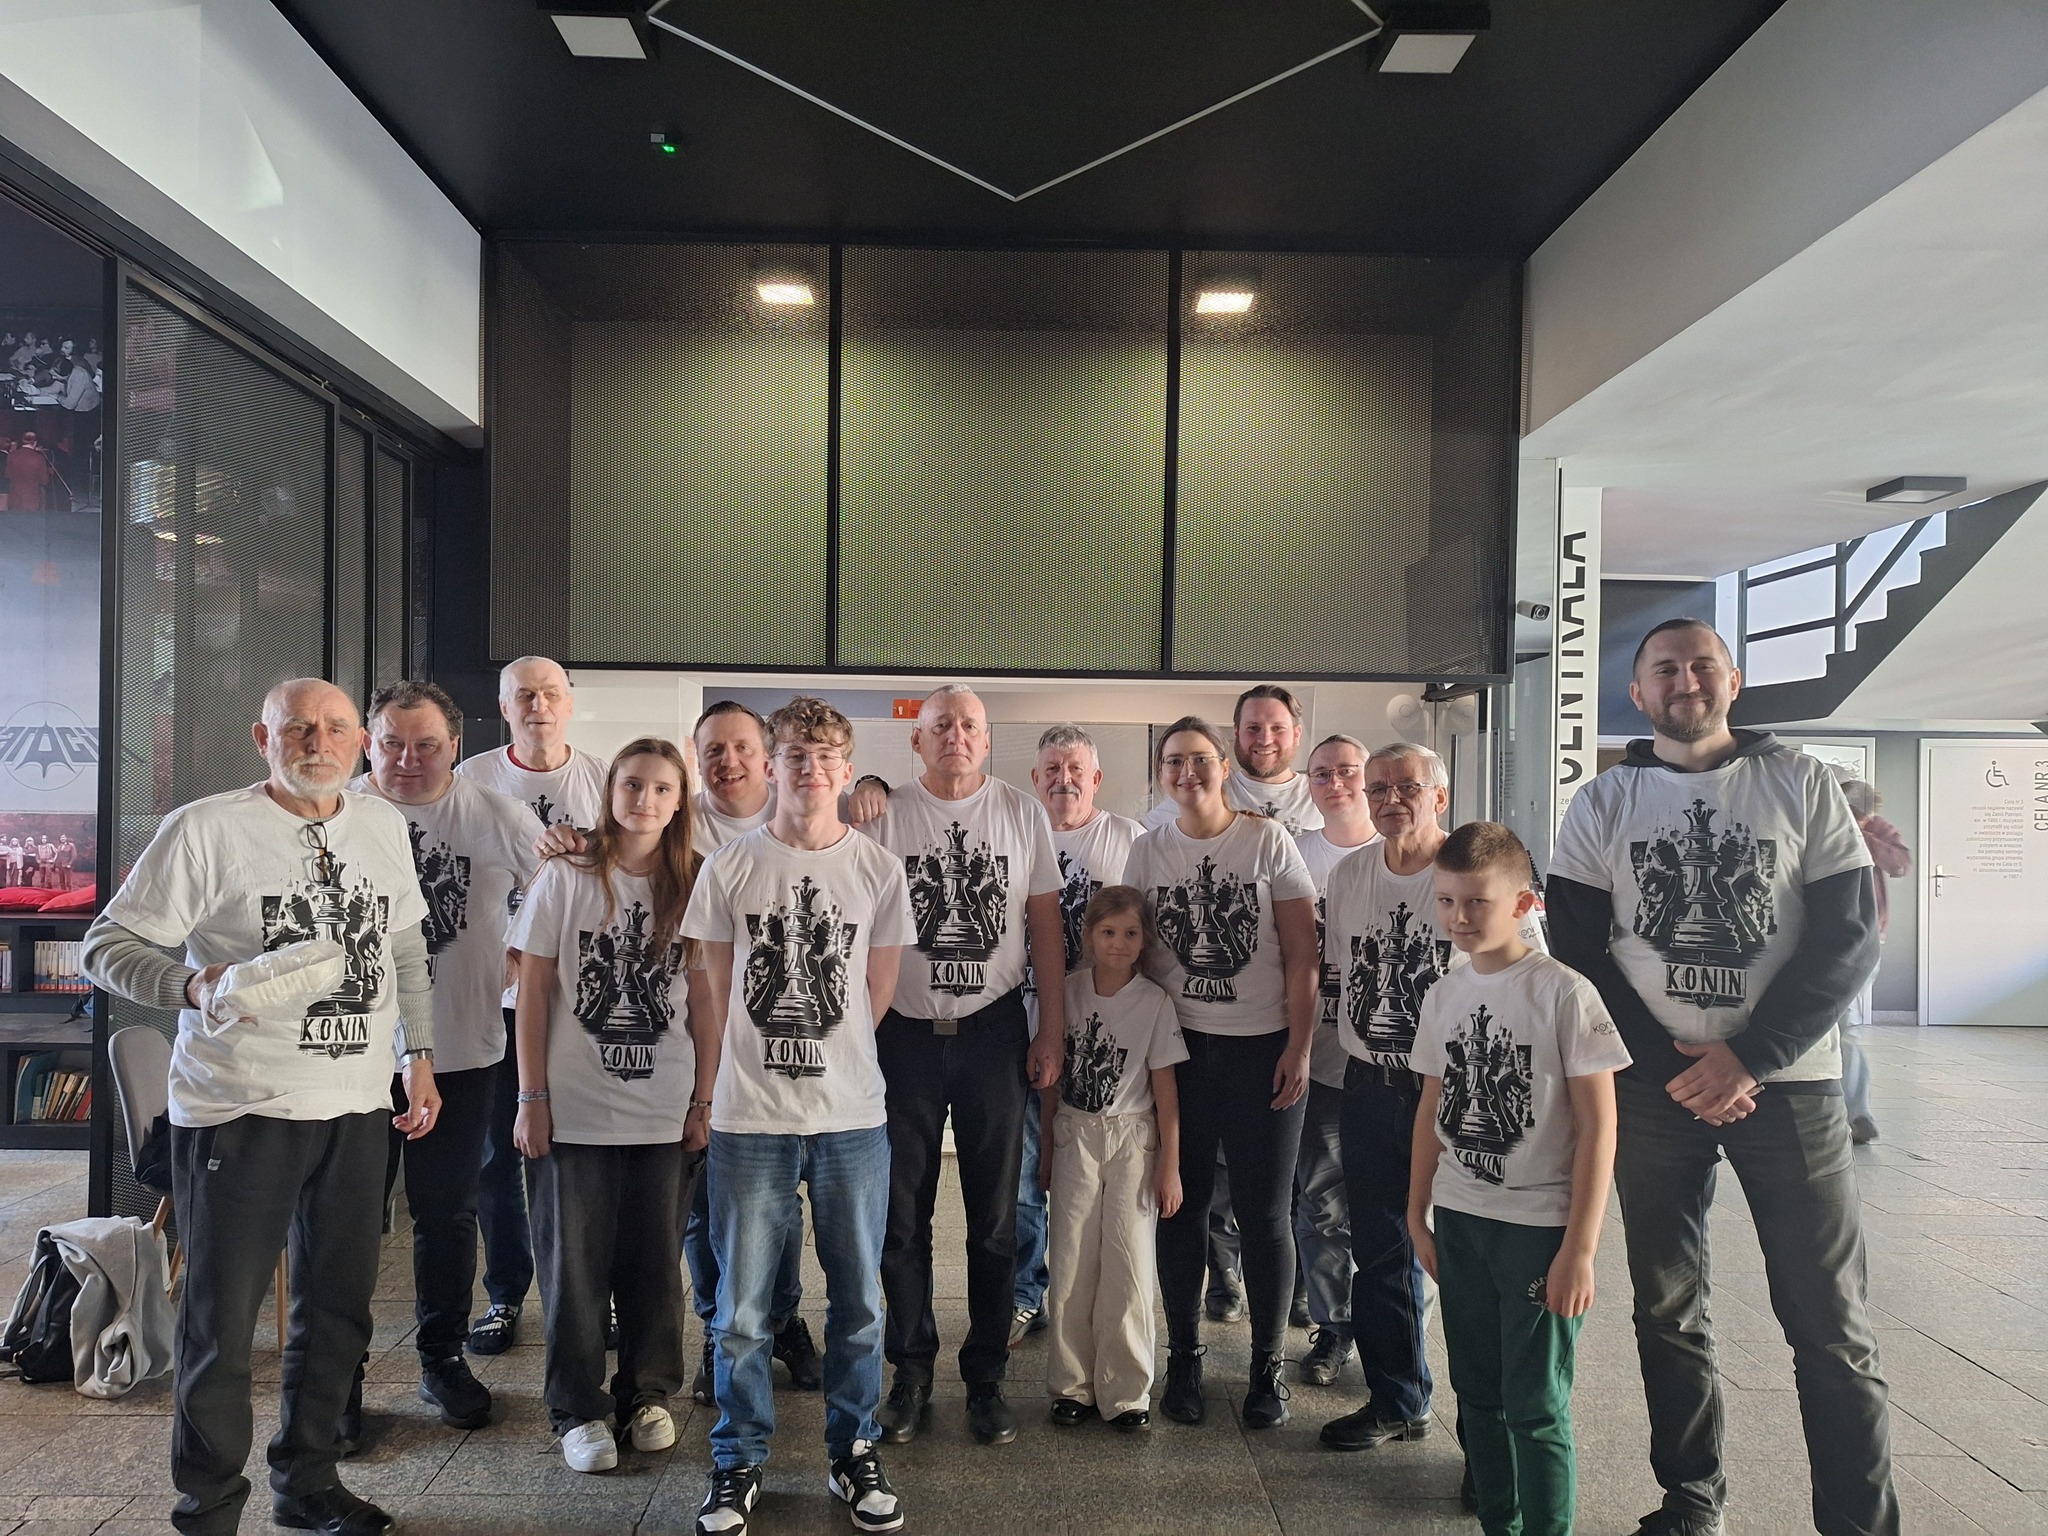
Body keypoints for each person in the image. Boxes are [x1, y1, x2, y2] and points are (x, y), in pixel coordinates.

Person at [1547, 617, 1896, 1536]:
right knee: (1667, 1309)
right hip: (1655, 1092)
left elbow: (1848, 938)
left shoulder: (1801, 782)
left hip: (1793, 1085)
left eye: (1703, 665)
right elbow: (1577, 951)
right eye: (1665, 669)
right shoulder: (1604, 801)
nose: (1686, 681)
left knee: (1830, 1323)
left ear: (1732, 681)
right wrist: (1671, 1066)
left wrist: (1751, 1055)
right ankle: (1692, 1498)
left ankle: (1860, 1524)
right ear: (1639, 692)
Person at [81, 678, 438, 1536]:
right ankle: (208, 1506)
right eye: (298, 728)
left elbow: (403, 947)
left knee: (338, 1311)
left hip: (356, 1105)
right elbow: (104, 946)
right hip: (240, 1111)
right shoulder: (205, 829)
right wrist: (191, 984)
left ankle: (307, 1483)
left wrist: (417, 1057)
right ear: (262, 738)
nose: (318, 742)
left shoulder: (382, 823)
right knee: (223, 1324)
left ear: (360, 742)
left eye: (336, 728)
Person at [681, 695, 915, 1536]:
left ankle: (854, 1450)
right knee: (742, 1312)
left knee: (859, 1303)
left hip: (850, 1113)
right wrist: (722, 1085)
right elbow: (715, 991)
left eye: (825, 757)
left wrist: (826, 1050)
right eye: (795, 756)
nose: (810, 769)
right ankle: (739, 1458)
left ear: (845, 770)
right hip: (751, 1117)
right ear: (772, 766)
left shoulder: (878, 870)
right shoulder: (729, 866)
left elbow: (875, 994)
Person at [1320, 741, 1547, 1453]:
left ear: (1439, 796)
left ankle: (1490, 1440)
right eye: (1378, 787)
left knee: (1472, 1261)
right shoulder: (1350, 873)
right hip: (1368, 1085)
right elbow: (1340, 974)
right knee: (1379, 1252)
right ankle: (1398, 1400)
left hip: (1456, 1094)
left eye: (1407, 787)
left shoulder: (1474, 871)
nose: (1390, 799)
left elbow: (1530, 978)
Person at [1408, 821, 1629, 1536]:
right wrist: (1416, 1212)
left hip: (1538, 1228)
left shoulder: (1564, 993)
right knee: (1476, 1394)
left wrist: (1581, 1248)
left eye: (1477, 901)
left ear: (1524, 903)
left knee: (1535, 1404)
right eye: (1446, 901)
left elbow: (1599, 1127)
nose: (1459, 917)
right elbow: (1432, 1108)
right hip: (1461, 1217)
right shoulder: (1443, 993)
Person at [865, 684, 1065, 1447]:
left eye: (969, 725)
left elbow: (1044, 927)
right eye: (940, 724)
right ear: (917, 740)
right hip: (904, 1035)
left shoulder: (1021, 813)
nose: (955, 734)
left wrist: (1051, 1031)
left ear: (986, 740)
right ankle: (910, 1373)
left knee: (996, 1218)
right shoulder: (886, 814)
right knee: (900, 1218)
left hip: (993, 1031)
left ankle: (986, 1377)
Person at [506, 737, 705, 1473]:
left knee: (655, 1264)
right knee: (574, 1268)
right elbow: (533, 990)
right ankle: (578, 1408)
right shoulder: (567, 875)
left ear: (679, 802)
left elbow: (708, 1001)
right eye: (632, 784)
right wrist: (531, 1095)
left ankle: (647, 1393)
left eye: (661, 788)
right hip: (574, 1110)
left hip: (663, 1109)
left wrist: (705, 1098)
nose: (644, 799)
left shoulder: (697, 881)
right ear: (610, 791)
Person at [351, 680, 539, 1436]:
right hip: (352, 1058)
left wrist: (523, 946)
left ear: (455, 746)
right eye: (392, 743)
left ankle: (442, 1359)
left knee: (448, 1214)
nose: (408, 759)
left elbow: (560, 889)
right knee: (345, 1223)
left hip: (463, 1047)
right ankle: (339, 1379)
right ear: (367, 744)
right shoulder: (337, 813)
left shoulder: (497, 814)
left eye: (426, 745)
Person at [1124, 715, 1317, 1429]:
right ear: (1161, 773)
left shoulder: (1268, 840)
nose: (1188, 772)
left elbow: (1303, 955)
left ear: (1224, 765)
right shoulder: (1148, 850)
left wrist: (1300, 1046)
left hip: (1263, 1049)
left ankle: (1268, 1364)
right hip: (1181, 1055)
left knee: (1266, 1214)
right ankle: (1185, 1356)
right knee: (1182, 1207)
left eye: (1200, 759)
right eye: (1174, 761)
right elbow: (1133, 953)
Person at [454, 656, 610, 1356]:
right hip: (495, 996)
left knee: (578, 1153)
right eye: (524, 695)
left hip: (578, 997)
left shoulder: (603, 780)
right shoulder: (472, 780)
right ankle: (505, 1293)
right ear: (503, 707)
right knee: (495, 1155)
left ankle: (592, 1294)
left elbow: (632, 864)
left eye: (550, 693)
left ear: (569, 703)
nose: (538, 705)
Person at [1011, 724, 1147, 1347]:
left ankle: (1085, 1292)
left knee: (1090, 1179)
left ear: (1096, 779)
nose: (1063, 780)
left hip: (1101, 1041)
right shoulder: (1019, 832)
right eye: (1051, 770)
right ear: (1035, 779)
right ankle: (1025, 1292)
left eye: (1075, 770)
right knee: (1024, 1172)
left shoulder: (1128, 839)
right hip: (1021, 1024)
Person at [1043, 884, 1186, 1430]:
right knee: (1072, 1261)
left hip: (1132, 1140)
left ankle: (1127, 1391)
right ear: (1088, 936)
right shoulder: (1067, 992)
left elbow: (1166, 1091)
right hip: (1074, 1134)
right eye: (1107, 932)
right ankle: (1072, 1385)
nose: (1118, 943)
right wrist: (1045, 1148)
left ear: (1144, 939)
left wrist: (1169, 1165)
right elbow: (1050, 1080)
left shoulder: (1153, 1002)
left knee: (1129, 1263)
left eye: (1130, 933)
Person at [1289, 733, 1380, 1387]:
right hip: (1320, 1062)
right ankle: (1334, 1328)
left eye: (1347, 771)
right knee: (1321, 1207)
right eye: (1321, 773)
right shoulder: (1294, 854)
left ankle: (1395, 1340)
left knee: (1396, 1210)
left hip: (1399, 1071)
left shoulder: (1404, 852)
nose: (1335, 783)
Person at [1143, 683, 1324, 836]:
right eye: (1253, 728)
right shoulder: (1206, 789)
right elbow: (1136, 835)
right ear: (1237, 732)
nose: (1265, 740)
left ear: (1296, 735)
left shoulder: (1323, 792)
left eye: (1278, 728)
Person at [1839, 778, 1909, 1146]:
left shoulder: (1878, 829)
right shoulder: (1820, 820)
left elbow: (1899, 865)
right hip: (1818, 934)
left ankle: (1856, 1113)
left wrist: (1861, 832)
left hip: (1865, 937)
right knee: (1834, 1026)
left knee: (1845, 1024)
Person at [6, 430, 52, 513]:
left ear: (22, 440)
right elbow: (44, 481)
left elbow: (8, 475)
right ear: (35, 442)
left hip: (15, 497)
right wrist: (49, 472)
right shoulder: (38, 457)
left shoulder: (12, 455)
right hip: (31, 498)